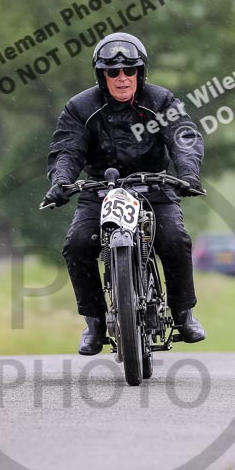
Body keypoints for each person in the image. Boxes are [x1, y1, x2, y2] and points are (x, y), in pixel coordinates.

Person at [43, 32, 206, 355]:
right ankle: (94, 324)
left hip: (155, 188)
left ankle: (183, 314)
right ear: (101, 75)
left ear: (140, 72)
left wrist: (187, 173)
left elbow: (184, 137)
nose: (121, 78)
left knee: (174, 239)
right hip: (100, 190)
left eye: (129, 70)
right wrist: (61, 182)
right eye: (112, 71)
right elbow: (67, 150)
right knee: (76, 245)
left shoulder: (162, 101)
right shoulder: (80, 107)